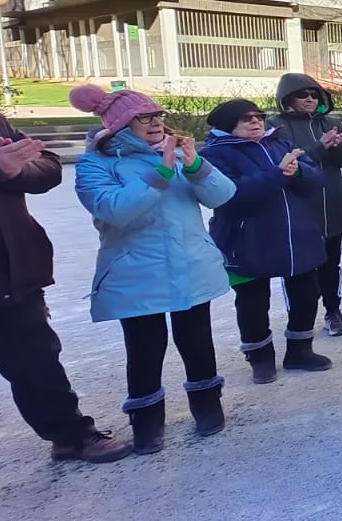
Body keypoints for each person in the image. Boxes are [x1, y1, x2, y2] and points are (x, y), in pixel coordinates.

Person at [0, 42, 132, 520]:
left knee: (38, 363)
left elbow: (46, 169)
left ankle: (70, 436)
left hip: (7, 275)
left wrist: (13, 166)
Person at [70, 85, 237, 453]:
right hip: (136, 272)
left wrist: (194, 164)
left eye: (158, 115)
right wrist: (162, 170)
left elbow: (222, 196)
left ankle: (208, 408)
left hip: (191, 263)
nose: (156, 123)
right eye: (144, 117)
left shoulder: (176, 154)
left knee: (197, 340)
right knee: (145, 347)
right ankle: (147, 425)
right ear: (118, 126)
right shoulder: (96, 164)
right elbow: (115, 209)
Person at [200, 99, 333, 384]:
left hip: (296, 235)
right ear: (228, 125)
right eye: (245, 118)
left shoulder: (280, 144)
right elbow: (231, 194)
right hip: (244, 239)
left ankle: (300, 350)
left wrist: (298, 171)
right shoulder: (214, 154)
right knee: (252, 302)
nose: (255, 122)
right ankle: (260, 358)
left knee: (306, 295)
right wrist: (276, 174)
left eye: (258, 117)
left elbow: (317, 179)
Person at [268, 73, 342, 336]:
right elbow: (287, 163)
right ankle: (299, 321)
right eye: (303, 94)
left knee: (331, 265)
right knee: (299, 270)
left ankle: (333, 312)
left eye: (314, 94)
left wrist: (339, 147)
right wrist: (320, 147)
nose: (310, 99)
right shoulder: (275, 126)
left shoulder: (329, 122)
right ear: (287, 98)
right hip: (298, 211)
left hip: (333, 208)